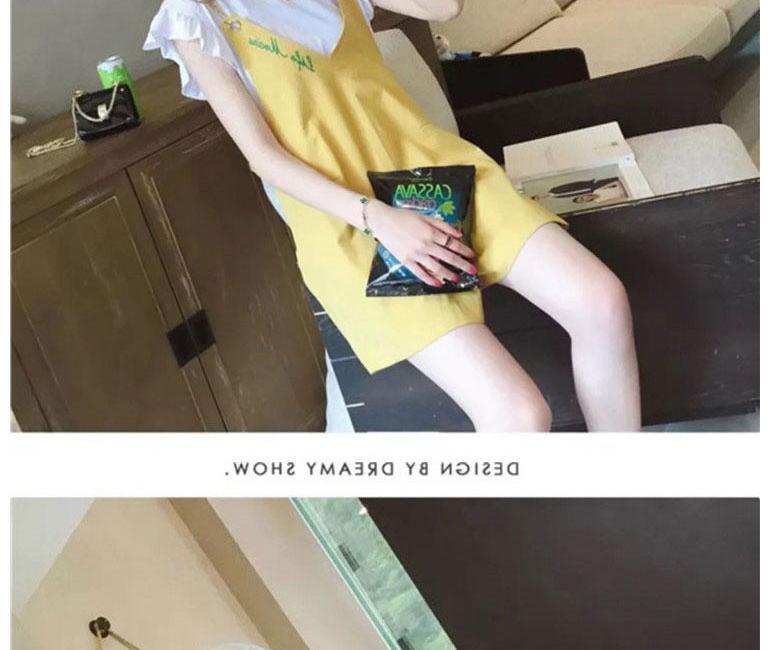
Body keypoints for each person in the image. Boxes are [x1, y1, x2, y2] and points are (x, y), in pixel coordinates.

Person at [145, 0, 641, 432]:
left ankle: (622, 486)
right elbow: (264, 158)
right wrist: (378, 218)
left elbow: (445, 8)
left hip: (437, 177)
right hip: (349, 223)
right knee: (519, 416)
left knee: (601, 301)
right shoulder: (195, 15)